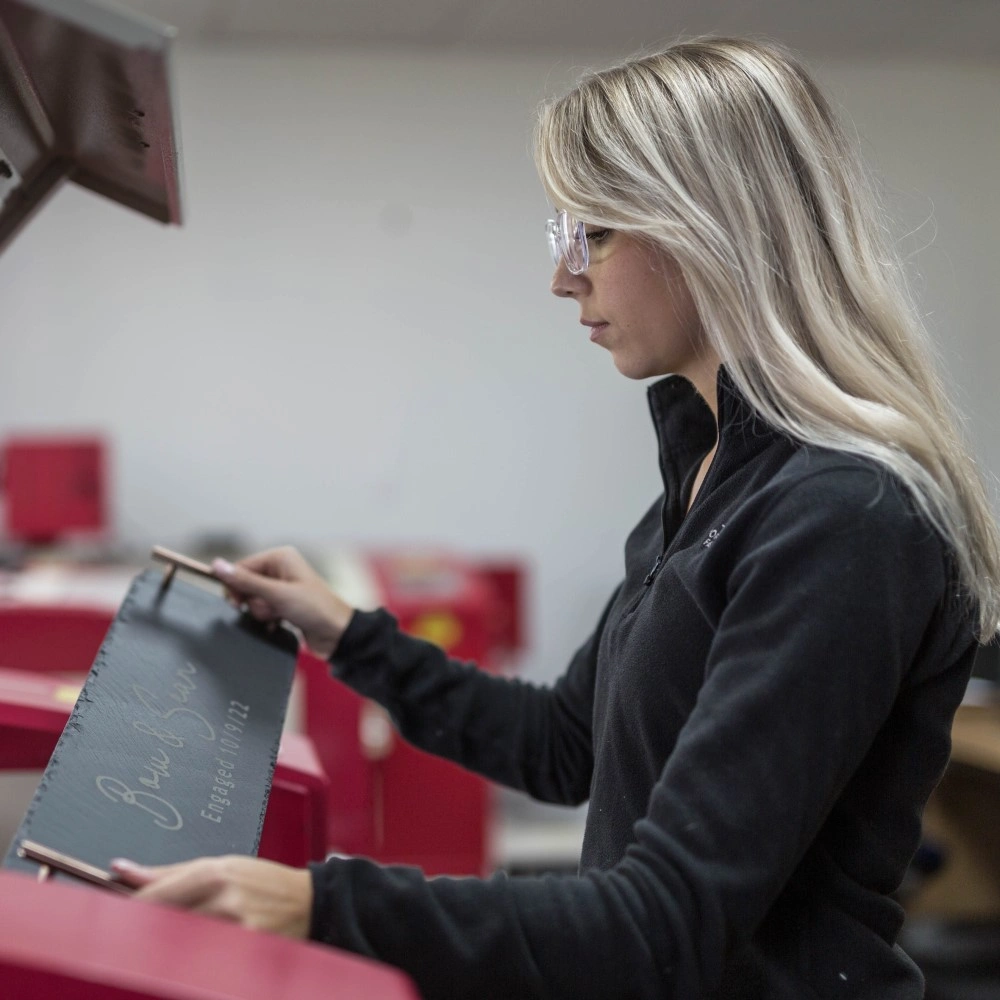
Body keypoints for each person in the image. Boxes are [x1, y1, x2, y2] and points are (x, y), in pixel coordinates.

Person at [110, 36, 1000, 1000]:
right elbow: (564, 745)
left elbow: (664, 923)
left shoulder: (844, 518)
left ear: (711, 227)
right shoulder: (709, 477)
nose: (564, 276)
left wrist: (320, 904)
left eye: (596, 234)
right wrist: (346, 634)